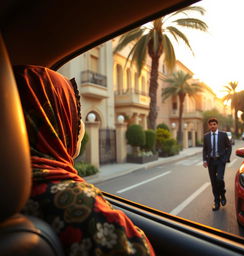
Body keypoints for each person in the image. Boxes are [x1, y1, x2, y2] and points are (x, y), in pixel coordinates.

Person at [14, 65, 155, 256]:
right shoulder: (82, 206)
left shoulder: (13, 188)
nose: (80, 125)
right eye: (73, 110)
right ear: (54, 119)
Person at [203, 118, 231, 211]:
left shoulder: (223, 135)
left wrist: (226, 158)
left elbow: (229, 146)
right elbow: (205, 149)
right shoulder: (206, 136)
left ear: (217, 125)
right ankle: (216, 201)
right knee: (213, 182)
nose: (212, 126)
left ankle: (222, 194)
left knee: (219, 179)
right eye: (211, 124)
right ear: (209, 126)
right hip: (211, 161)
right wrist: (204, 160)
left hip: (220, 161)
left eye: (214, 124)